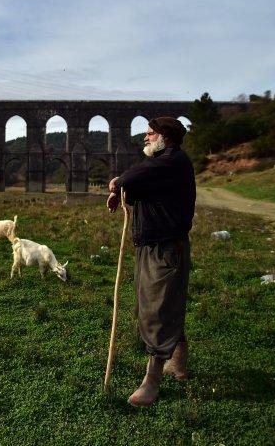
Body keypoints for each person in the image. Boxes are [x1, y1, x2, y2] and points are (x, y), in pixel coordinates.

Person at [107, 116, 195, 407]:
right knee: (158, 303)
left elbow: (134, 178)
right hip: (150, 246)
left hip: (167, 248)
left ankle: (151, 381)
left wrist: (120, 182)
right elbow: (139, 187)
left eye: (149, 133)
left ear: (164, 137)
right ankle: (178, 361)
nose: (144, 137)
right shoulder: (162, 166)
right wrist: (121, 194)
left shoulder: (173, 162)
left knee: (158, 309)